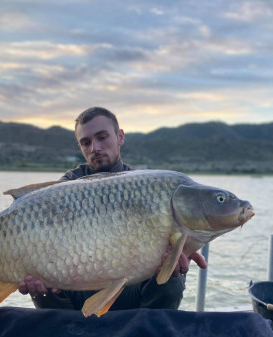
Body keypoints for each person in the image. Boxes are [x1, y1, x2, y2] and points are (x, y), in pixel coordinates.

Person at [18, 106, 207, 311]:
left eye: (102, 137)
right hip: (76, 289)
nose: (95, 148)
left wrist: (183, 248)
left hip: (130, 291)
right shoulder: (65, 187)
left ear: (120, 137)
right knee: (39, 282)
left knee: (172, 274)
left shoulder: (145, 186)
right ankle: (69, 336)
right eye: (86, 142)